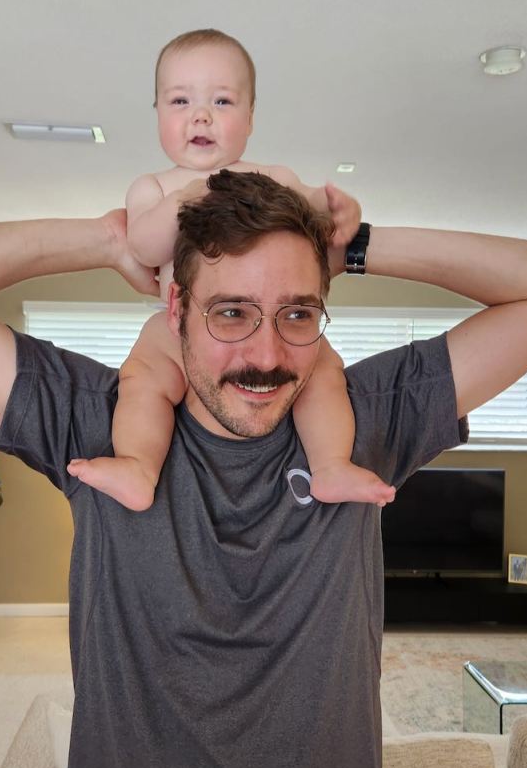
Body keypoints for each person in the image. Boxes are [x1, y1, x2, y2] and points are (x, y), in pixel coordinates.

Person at [0, 170, 527, 768]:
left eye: (297, 313)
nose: (266, 354)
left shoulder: (362, 425)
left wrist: (353, 247)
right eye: (230, 313)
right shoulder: (95, 423)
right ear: (176, 310)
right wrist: (109, 240)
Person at [67, 29, 396, 511]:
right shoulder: (154, 188)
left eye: (221, 101)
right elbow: (142, 246)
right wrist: (186, 199)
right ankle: (138, 465)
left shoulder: (273, 178)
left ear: (251, 116)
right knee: (142, 381)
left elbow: (315, 212)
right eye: (180, 101)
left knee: (324, 371)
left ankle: (330, 466)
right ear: (157, 112)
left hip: (262, 322)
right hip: (175, 330)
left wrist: (339, 211)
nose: (200, 116)